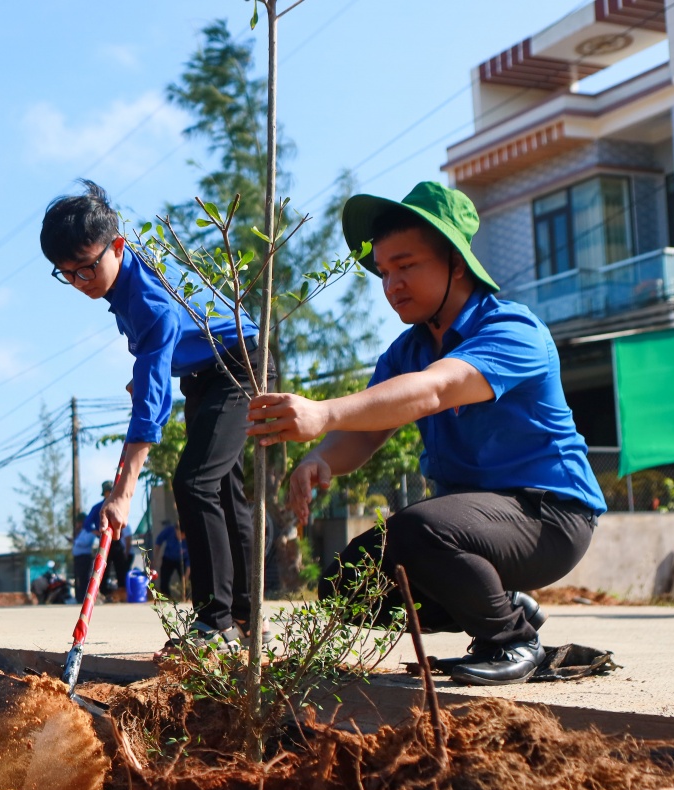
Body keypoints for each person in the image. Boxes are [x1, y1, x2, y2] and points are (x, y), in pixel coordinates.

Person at [248, 182, 604, 685]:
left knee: (418, 528)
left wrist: (323, 412)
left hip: (549, 517)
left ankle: (510, 640)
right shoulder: (406, 350)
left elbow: (434, 390)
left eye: (407, 265)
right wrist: (322, 459)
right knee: (346, 585)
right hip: (471, 525)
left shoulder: (513, 330)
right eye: (385, 271)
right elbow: (369, 431)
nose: (392, 284)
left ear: (456, 263)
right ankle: (501, 605)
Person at [42, 180, 272, 655]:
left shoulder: (147, 301)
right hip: (207, 373)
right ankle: (247, 618)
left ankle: (215, 622)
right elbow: (158, 359)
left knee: (194, 481)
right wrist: (152, 372)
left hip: (239, 364)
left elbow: (150, 405)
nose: (81, 283)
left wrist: (122, 495)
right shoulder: (122, 282)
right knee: (224, 490)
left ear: (117, 247)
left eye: (87, 268)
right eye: (67, 274)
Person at [71, 481, 131, 603]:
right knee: (103, 569)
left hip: (117, 541)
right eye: (108, 491)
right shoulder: (98, 507)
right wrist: (97, 532)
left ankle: (122, 594)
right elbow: (87, 524)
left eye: (111, 491)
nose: (110, 494)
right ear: (105, 493)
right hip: (105, 542)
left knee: (121, 569)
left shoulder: (119, 505)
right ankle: (105, 594)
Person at [153, 520, 188, 599]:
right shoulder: (169, 531)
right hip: (168, 558)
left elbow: (189, 565)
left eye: (183, 536)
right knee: (164, 580)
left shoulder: (188, 539)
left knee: (187, 581)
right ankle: (166, 598)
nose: (181, 537)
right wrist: (156, 558)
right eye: (179, 534)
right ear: (176, 530)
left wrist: (185, 577)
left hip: (183, 560)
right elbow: (158, 542)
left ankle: (185, 597)